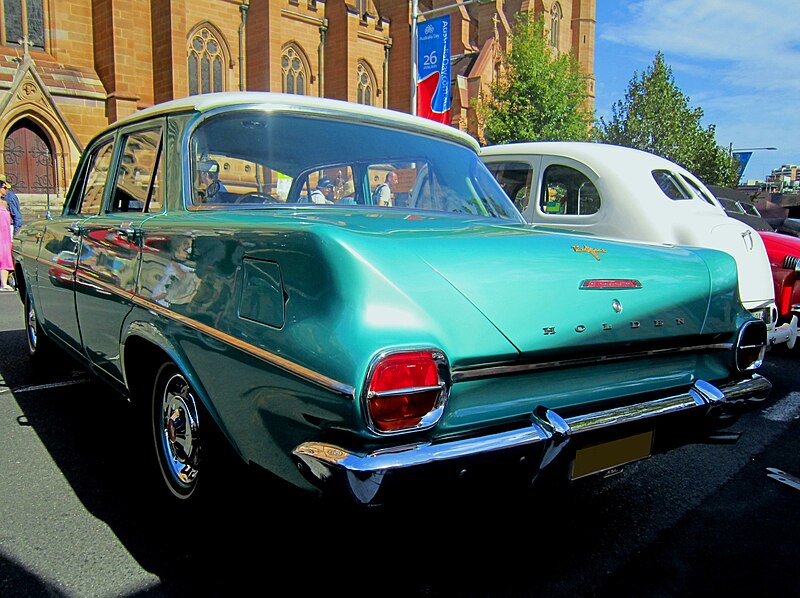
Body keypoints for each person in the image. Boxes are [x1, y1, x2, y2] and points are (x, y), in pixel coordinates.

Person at [0, 183, 15, 291]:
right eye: (4, 188)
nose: (6, 190)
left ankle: (4, 283)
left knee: (5, 258)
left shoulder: (5, 203)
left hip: (5, 235)